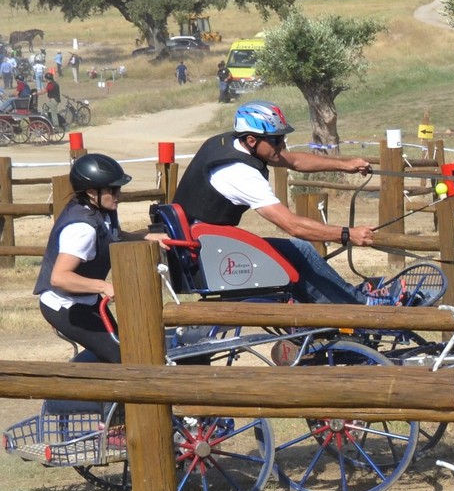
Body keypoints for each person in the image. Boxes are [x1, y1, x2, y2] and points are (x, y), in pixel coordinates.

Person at [172, 102, 376, 305]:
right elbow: (292, 226)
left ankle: (342, 308)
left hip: (206, 247)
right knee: (300, 251)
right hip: (207, 257)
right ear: (252, 140)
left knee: (295, 254)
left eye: (282, 138)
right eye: (276, 140)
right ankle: (360, 309)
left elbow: (294, 161)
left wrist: (344, 165)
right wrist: (348, 234)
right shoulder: (240, 173)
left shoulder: (228, 142)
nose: (283, 146)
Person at [34, 154, 167, 363]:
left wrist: (145, 236)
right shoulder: (82, 229)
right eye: (112, 190)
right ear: (91, 192)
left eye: (118, 189)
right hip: (66, 305)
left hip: (86, 300)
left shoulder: (100, 212)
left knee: (129, 349)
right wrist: (103, 286)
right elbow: (59, 278)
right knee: (124, 357)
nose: (118, 195)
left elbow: (112, 236)